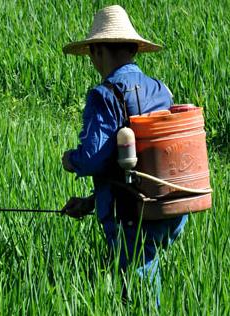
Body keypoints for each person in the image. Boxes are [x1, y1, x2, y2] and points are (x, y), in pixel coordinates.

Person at [60, 5, 188, 306]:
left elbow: (92, 158)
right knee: (138, 274)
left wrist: (71, 160)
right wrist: (91, 202)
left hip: (132, 215)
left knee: (138, 295)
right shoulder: (161, 90)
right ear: (133, 49)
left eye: (93, 53)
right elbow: (140, 164)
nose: (92, 61)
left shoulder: (104, 95)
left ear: (99, 51)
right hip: (167, 208)